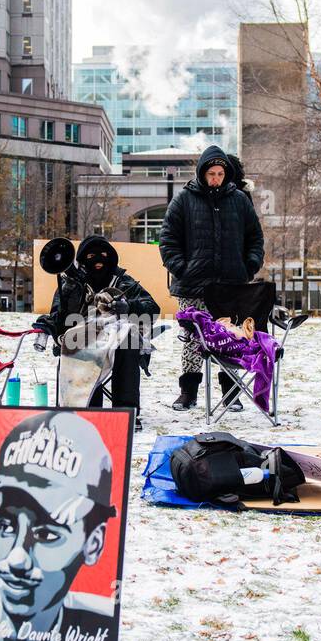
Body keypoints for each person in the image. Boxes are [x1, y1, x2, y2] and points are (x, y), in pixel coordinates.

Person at [0, 412, 118, 641]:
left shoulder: (98, 626)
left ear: (93, 544)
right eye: (6, 526)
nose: (16, 559)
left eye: (46, 534)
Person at [159, 144, 265, 411]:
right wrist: (182, 268)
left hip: (231, 286)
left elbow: (255, 238)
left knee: (229, 339)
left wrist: (248, 266)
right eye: (212, 174)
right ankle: (188, 393)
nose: (216, 178)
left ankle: (230, 394)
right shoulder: (183, 199)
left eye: (220, 173)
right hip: (193, 287)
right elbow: (168, 240)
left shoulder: (239, 200)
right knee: (193, 341)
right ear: (202, 173)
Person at [33, 235, 159, 429]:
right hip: (82, 342)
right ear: (82, 259)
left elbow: (152, 308)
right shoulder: (70, 284)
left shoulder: (124, 282)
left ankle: (126, 411)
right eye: (91, 255)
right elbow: (57, 317)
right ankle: (88, 410)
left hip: (118, 343)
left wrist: (129, 307)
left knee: (128, 341)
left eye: (103, 255)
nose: (98, 260)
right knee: (83, 345)